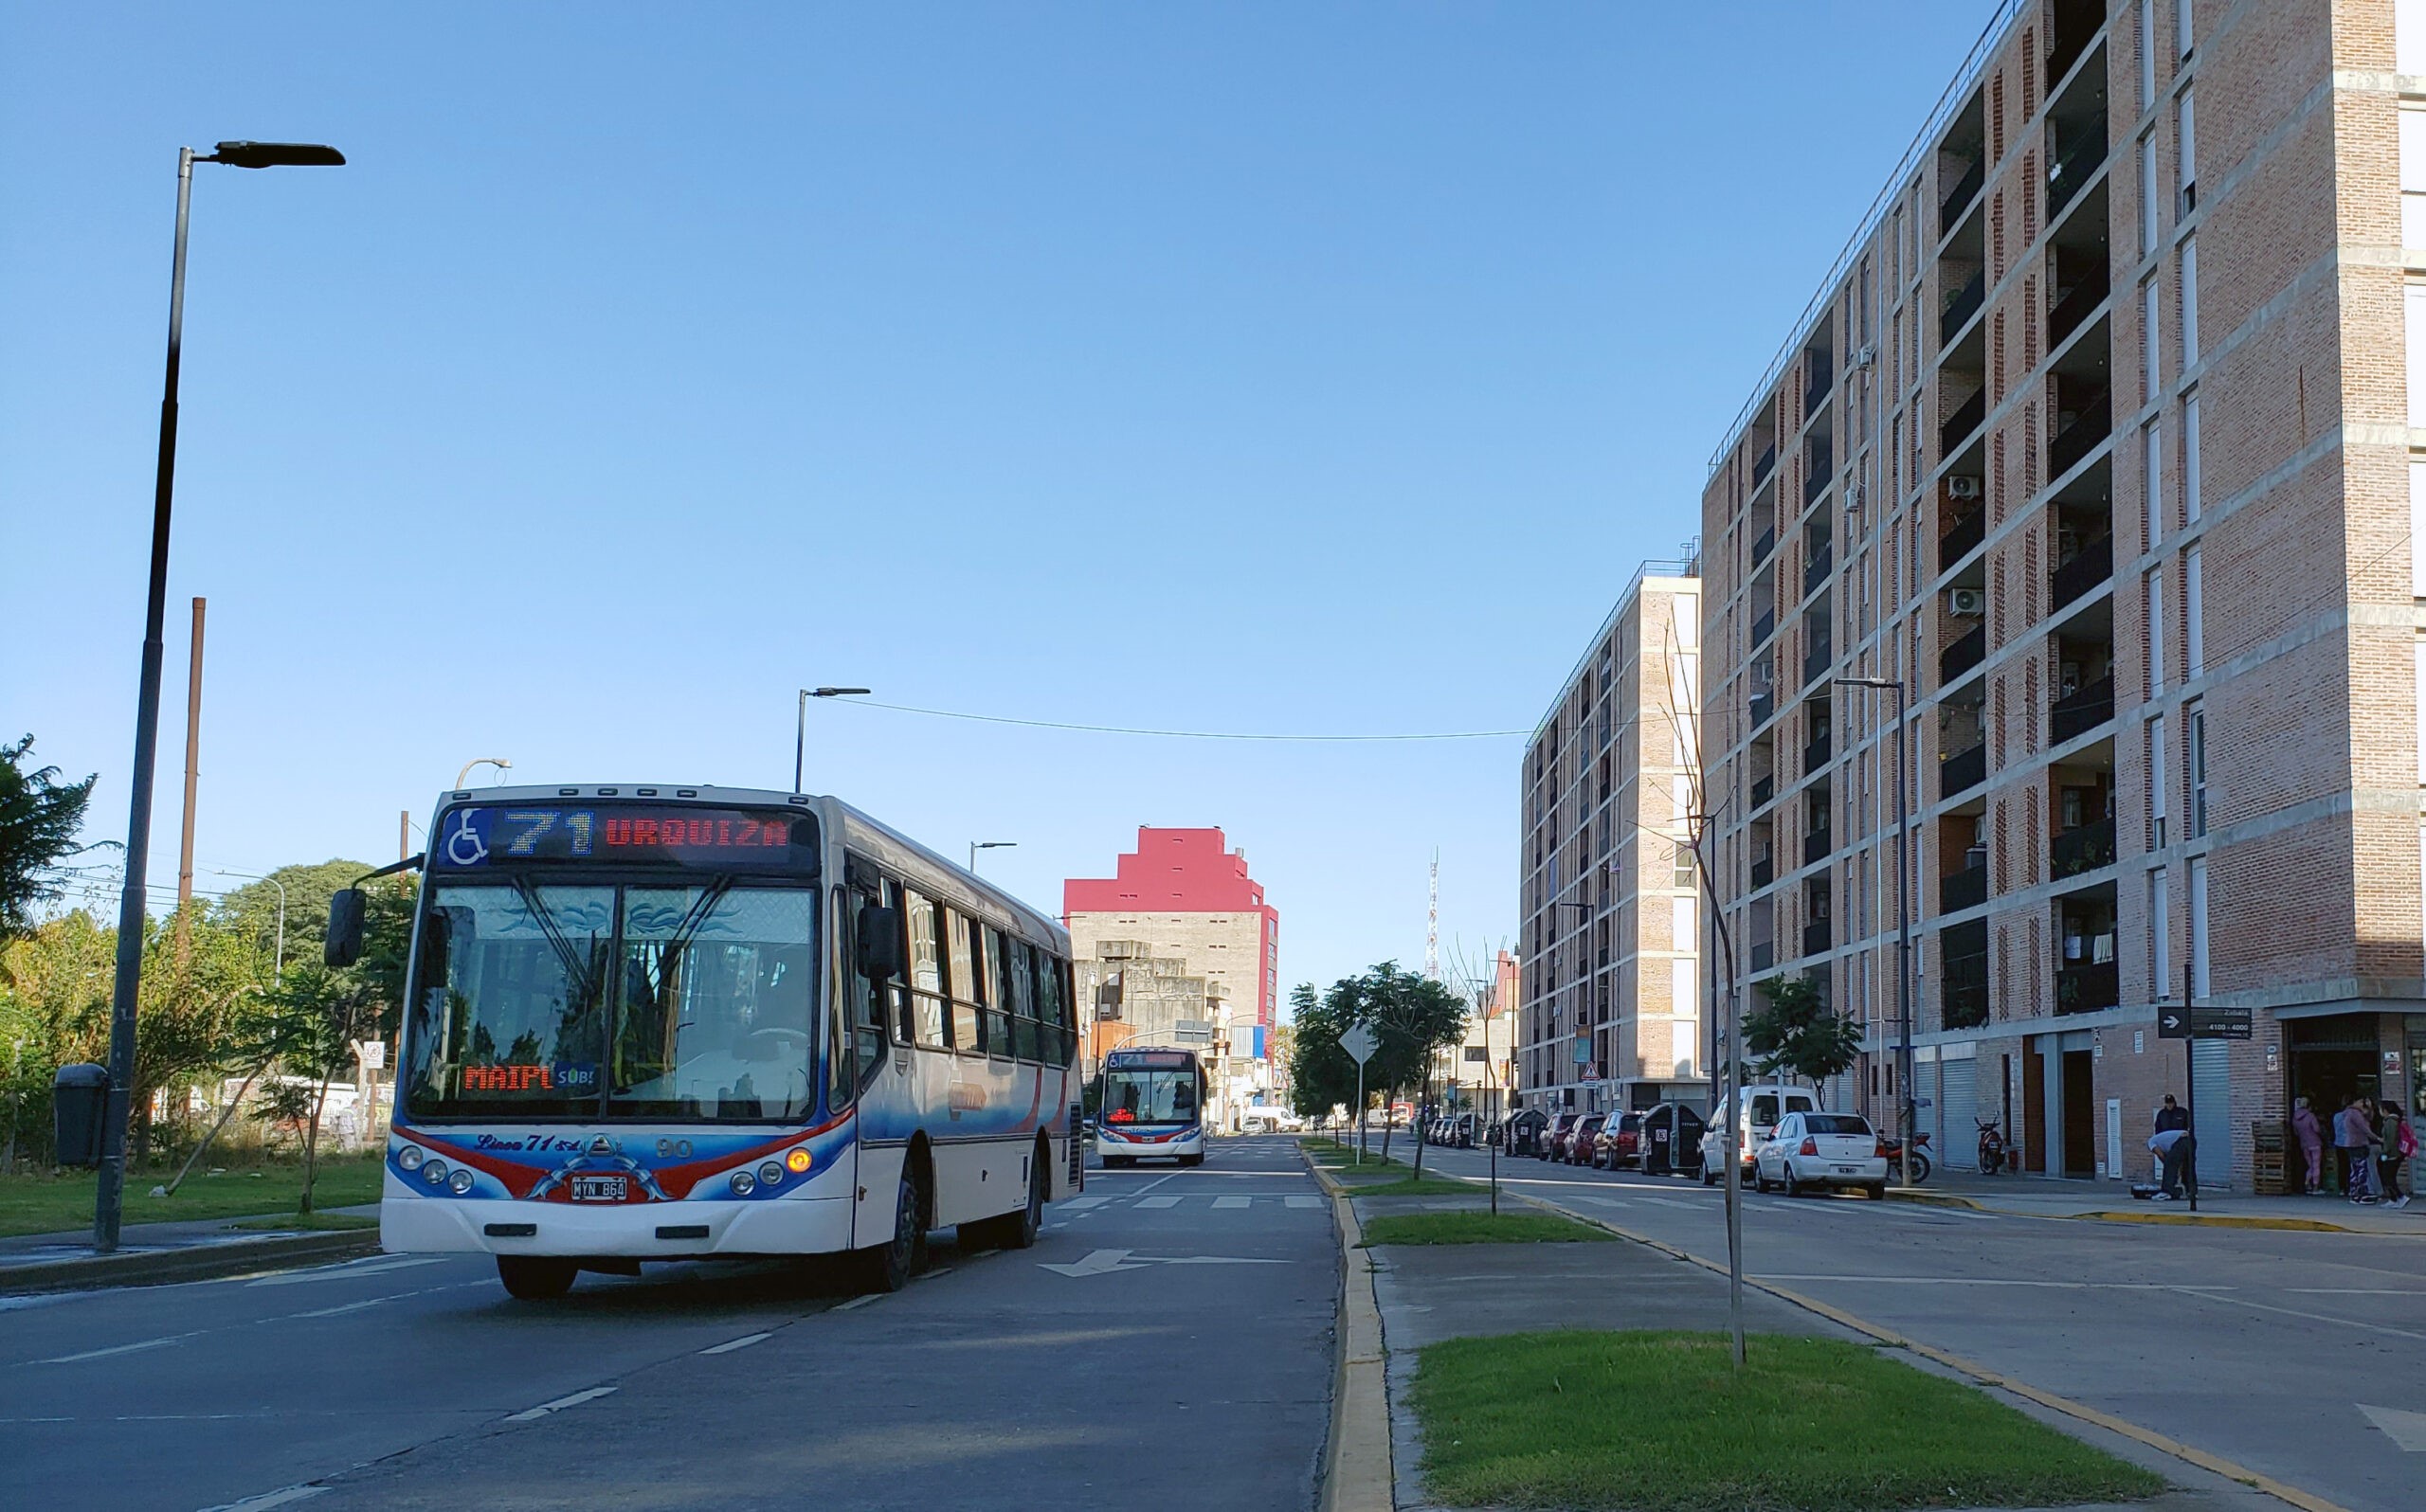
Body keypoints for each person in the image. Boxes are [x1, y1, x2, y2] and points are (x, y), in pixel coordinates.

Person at [2335, 1093, 2380, 1202]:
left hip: (2350, 1143)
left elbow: (2368, 1119)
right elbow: (2365, 1128)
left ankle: (2355, 1193)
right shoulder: (2355, 1113)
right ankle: (2360, 1193)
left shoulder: (2348, 1113)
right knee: (2361, 1169)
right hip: (2358, 1144)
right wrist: (2377, 1138)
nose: (2362, 1104)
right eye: (2361, 1102)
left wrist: (2368, 1110)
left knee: (2355, 1169)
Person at [2378, 1101, 2414, 1210]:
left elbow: (2391, 1140)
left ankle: (2400, 1197)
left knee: (2388, 1177)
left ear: (2385, 1110)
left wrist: (2385, 1152)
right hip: (2394, 1153)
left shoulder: (2390, 1121)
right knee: (2389, 1177)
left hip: (2392, 1154)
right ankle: (2393, 1199)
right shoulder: (2394, 1120)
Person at [2290, 1095, 2326, 1196]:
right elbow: (2317, 1129)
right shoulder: (2311, 1116)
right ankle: (2315, 1187)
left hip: (2304, 1144)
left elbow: (2296, 1133)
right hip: (2315, 1143)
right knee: (2316, 1165)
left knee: (2310, 1165)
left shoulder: (2295, 1118)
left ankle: (2307, 1183)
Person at [2148, 1126, 2194, 1200]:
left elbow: (2161, 1155)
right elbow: (2180, 1162)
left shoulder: (2151, 1142)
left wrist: (2167, 1165)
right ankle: (2192, 1192)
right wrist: (2178, 1170)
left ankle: (2166, 1192)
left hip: (2180, 1140)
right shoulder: (2165, 1143)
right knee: (2188, 1167)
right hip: (2191, 1140)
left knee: (2169, 1165)